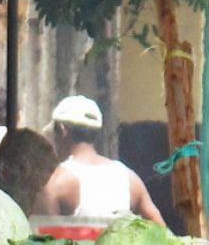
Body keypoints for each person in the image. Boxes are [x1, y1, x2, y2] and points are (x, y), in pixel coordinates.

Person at [37, 96, 165, 225]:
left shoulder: (56, 183)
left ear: (62, 129)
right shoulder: (130, 179)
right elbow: (163, 235)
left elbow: (42, 241)